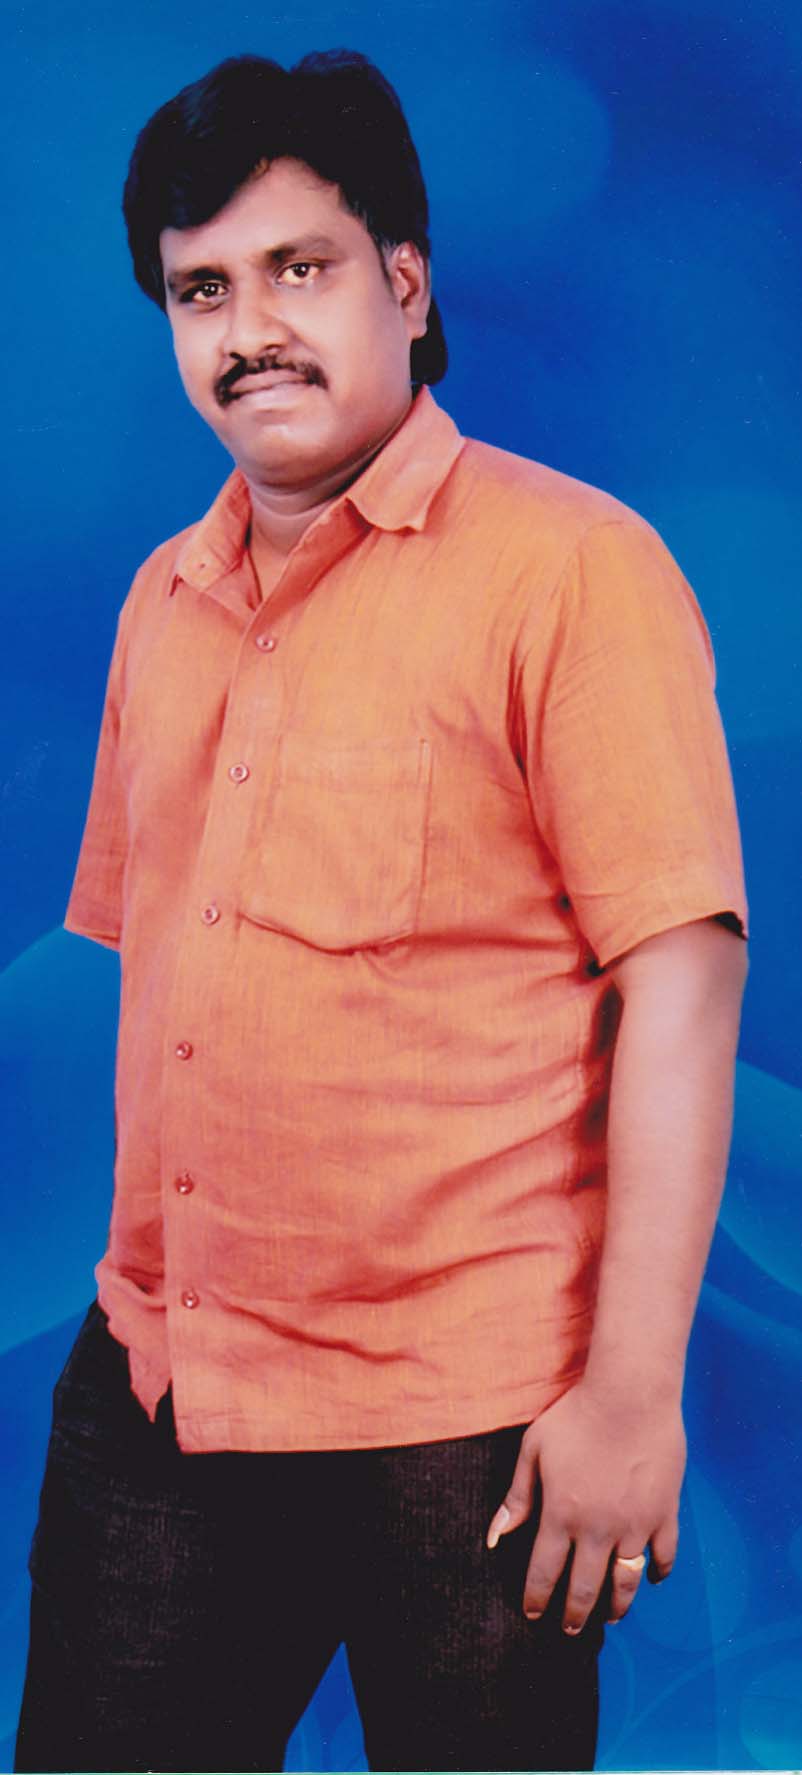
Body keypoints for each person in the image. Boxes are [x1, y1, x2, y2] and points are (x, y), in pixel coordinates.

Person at [15, 49, 748, 1775]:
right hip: (164, 1393)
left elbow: (683, 981)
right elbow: (146, 975)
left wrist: (629, 1399)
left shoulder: (571, 570)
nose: (250, 328)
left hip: (467, 1428)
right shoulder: (163, 599)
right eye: (203, 289)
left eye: (300, 268)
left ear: (404, 287)